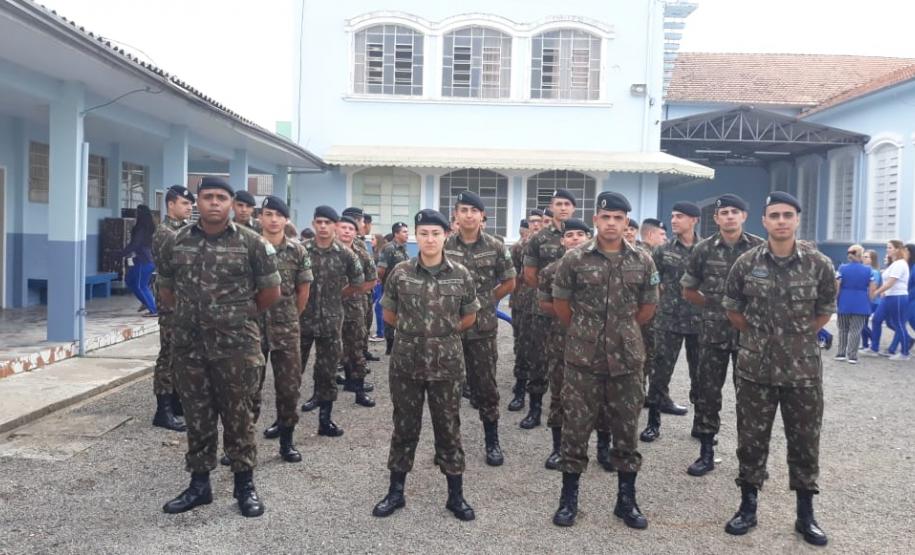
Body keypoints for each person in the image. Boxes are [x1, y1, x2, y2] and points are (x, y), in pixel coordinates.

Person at [158, 176, 281, 518]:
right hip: (191, 347)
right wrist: (193, 315)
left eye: (221, 197)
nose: (214, 202)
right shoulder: (177, 241)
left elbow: (271, 292)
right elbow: (166, 288)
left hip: (236, 347)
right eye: (208, 196)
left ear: (231, 203)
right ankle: (199, 485)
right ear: (198, 201)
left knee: (239, 416)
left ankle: (245, 486)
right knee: (198, 416)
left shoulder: (252, 243)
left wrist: (238, 315)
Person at [722, 191, 836, 546]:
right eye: (775, 215)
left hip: (802, 372)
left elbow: (824, 311)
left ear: (797, 220)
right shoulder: (746, 263)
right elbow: (734, 309)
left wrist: (794, 340)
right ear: (765, 221)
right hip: (756, 369)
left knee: (804, 442)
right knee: (751, 441)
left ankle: (805, 514)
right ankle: (747, 507)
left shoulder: (818, 264)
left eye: (788, 215)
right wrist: (762, 339)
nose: (782, 221)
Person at [550, 191, 659, 528]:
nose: (612, 223)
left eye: (619, 218)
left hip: (626, 361)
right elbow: (562, 306)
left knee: (626, 430)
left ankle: (626, 501)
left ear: (627, 223)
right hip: (583, 358)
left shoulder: (643, 260)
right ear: (596, 220)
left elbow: (648, 308)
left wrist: (620, 332)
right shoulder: (575, 259)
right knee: (575, 428)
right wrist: (589, 332)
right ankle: (569, 500)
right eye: (606, 217)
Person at [372, 209, 480, 521]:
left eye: (435, 233)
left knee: (448, 428)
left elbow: (469, 316)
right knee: (404, 427)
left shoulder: (460, 273)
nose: (429, 239)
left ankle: (455, 496)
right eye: (423, 233)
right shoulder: (401, 272)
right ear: (415, 237)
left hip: (446, 366)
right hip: (406, 364)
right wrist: (416, 335)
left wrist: (441, 336)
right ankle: (396, 492)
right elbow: (389, 314)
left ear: (446, 235)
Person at [680, 194, 764, 477]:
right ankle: (705, 453)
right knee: (707, 394)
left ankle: (751, 461)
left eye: (734, 212)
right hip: (712, 334)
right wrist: (717, 307)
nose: (729, 216)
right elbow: (689, 289)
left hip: (748, 336)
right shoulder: (703, 249)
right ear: (715, 219)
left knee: (751, 398)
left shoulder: (759, 250)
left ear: (744, 217)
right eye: (723, 212)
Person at [444, 191, 516, 466]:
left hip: (483, 329)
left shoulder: (496, 246)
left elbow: (510, 281)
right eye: (463, 210)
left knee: (486, 386)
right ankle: (449, 444)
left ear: (482, 216)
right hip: (450, 328)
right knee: (448, 388)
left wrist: (486, 301)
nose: (469, 215)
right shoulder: (444, 245)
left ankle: (492, 442)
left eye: (474, 210)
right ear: (456, 215)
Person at [538, 218, 614, 472]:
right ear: (562, 241)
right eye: (569, 235)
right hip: (561, 342)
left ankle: (604, 448)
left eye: (579, 235)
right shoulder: (550, 271)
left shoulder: (602, 268)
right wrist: (574, 314)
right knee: (560, 395)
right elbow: (544, 304)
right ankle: (558, 448)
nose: (574, 239)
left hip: (596, 345)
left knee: (602, 397)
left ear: (588, 238)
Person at [254, 196, 312, 463]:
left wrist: (290, 317)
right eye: (268, 214)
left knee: (289, 388)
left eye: (279, 214)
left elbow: (303, 290)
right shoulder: (248, 247)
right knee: (246, 390)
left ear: (286, 219)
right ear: (260, 217)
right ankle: (240, 444)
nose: (273, 219)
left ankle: (286, 442)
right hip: (252, 329)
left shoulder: (297, 251)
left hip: (286, 330)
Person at [298, 206, 365, 436]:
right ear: (314, 223)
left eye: (328, 222)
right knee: (292, 371)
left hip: (331, 321)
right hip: (302, 320)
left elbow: (359, 281)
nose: (323, 226)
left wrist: (338, 295)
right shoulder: (302, 250)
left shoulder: (346, 254)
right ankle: (283, 420)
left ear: (335, 225)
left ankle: (325, 420)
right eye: (319, 222)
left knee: (327, 373)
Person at [641, 202, 702, 443]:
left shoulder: (705, 250)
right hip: (668, 321)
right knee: (659, 374)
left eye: (680, 217)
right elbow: (654, 282)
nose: (674, 220)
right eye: (673, 216)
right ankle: (653, 424)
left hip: (699, 323)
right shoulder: (662, 251)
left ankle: (702, 425)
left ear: (694, 220)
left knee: (701, 377)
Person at [521, 189, 578, 430]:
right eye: (558, 204)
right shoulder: (539, 238)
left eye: (567, 204)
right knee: (538, 359)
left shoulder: (583, 235)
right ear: (551, 208)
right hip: (544, 309)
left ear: (573, 208)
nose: (563, 208)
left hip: (575, 315)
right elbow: (530, 275)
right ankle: (534, 408)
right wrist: (550, 297)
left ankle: (569, 412)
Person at [150, 185, 195, 432]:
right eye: (185, 204)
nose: (189, 208)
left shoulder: (181, 230)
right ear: (170, 205)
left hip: (183, 301)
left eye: (190, 204)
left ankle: (176, 403)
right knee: (168, 354)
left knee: (180, 353)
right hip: (171, 302)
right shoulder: (167, 233)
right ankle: (163, 410)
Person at [336, 214, 379, 406]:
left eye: (350, 229)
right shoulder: (326, 251)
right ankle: (324, 392)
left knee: (356, 348)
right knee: (330, 349)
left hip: (354, 307)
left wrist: (352, 292)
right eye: (343, 227)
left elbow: (373, 279)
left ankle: (359, 390)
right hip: (328, 309)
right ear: (336, 228)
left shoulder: (361, 254)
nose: (346, 231)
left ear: (355, 232)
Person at [508, 209, 543, 411]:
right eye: (533, 222)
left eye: (541, 221)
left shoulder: (553, 245)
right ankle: (520, 390)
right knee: (522, 345)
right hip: (523, 302)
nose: (536, 225)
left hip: (546, 305)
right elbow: (510, 274)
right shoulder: (519, 247)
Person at [865, 240, 911, 361]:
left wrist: (877, 292)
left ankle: (905, 353)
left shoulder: (900, 264)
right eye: (887, 247)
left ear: (897, 249)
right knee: (876, 320)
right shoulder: (894, 263)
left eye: (889, 247)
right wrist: (884, 292)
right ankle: (874, 348)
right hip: (888, 296)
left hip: (898, 297)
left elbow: (891, 282)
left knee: (898, 323)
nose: (887, 250)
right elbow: (888, 282)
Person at [833, 244, 875, 365]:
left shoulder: (842, 268)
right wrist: (870, 299)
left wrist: (836, 299)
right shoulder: (868, 270)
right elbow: (872, 288)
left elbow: (837, 285)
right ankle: (852, 355)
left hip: (845, 301)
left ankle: (841, 353)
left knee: (843, 328)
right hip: (861, 302)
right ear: (861, 255)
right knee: (856, 330)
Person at [377, 222, 411, 354]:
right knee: (389, 316)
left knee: (403, 315)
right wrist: (383, 282)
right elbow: (381, 269)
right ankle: (390, 345)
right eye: (404, 232)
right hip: (391, 289)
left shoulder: (404, 249)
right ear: (396, 234)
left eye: (407, 232)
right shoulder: (389, 248)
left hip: (404, 289)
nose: (407, 234)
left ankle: (401, 342)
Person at [121, 204, 158, 316]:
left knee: (140, 285)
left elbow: (135, 244)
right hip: (140, 259)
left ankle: (154, 309)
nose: (136, 214)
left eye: (138, 212)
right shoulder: (147, 227)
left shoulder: (142, 228)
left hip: (145, 260)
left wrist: (122, 253)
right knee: (130, 280)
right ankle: (146, 302)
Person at [860, 249, 883, 350]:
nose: (863, 259)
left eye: (866, 257)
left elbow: (873, 287)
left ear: (872, 259)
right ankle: (865, 344)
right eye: (863, 256)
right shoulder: (864, 270)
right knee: (862, 323)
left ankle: (874, 342)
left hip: (872, 301)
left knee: (860, 322)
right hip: (864, 300)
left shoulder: (874, 272)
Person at [370, 233, 388, 342]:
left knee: (378, 307)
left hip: (379, 282)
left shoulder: (381, 252)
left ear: (378, 240)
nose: (371, 240)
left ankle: (381, 333)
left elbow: (381, 269)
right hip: (375, 282)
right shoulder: (375, 251)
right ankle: (380, 331)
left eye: (373, 239)